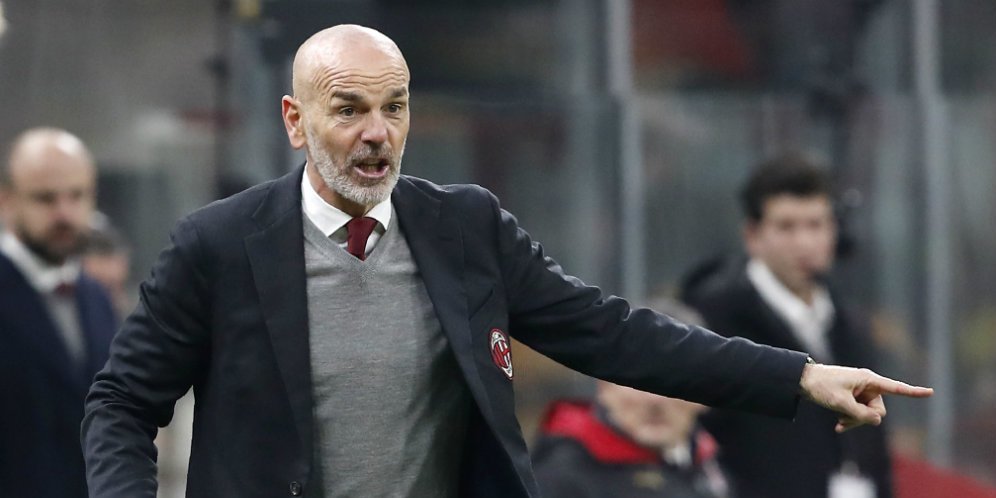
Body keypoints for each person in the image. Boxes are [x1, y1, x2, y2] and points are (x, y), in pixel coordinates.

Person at [81, 25, 931, 498]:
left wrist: (797, 376)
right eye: (348, 110)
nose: (377, 133)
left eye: (394, 107)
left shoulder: (466, 227)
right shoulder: (219, 244)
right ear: (295, 121)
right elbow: (122, 401)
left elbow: (617, 335)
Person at [681, 154, 894, 498]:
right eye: (786, 227)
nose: (804, 243)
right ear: (752, 235)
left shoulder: (848, 323)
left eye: (815, 225)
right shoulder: (713, 320)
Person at [0, 128, 117, 498]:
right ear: (6, 200)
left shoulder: (95, 297)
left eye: (77, 196)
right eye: (45, 198)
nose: (64, 213)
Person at [532, 299, 730, 498]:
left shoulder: (711, 466)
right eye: (639, 381)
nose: (655, 399)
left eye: (674, 382)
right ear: (604, 385)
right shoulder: (562, 478)